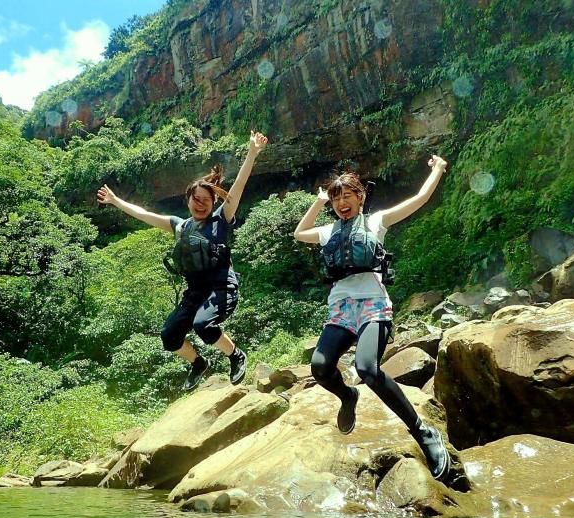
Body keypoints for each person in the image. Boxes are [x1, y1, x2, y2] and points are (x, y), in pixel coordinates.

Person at [293, 156, 451, 481]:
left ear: (360, 197)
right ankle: (347, 396)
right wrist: (318, 200)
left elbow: (418, 200)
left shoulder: (376, 222)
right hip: (341, 309)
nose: (340, 203)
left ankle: (423, 431)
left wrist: (435, 170)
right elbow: (299, 233)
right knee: (320, 367)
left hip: (373, 305)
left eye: (346, 195)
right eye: (336, 198)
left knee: (367, 367)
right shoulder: (327, 231)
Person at [97, 131, 268, 391]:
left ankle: (235, 355)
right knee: (169, 336)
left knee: (203, 325)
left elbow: (237, 189)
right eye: (195, 199)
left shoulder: (221, 219)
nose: (200, 204)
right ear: (187, 200)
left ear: (213, 203)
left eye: (206, 200)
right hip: (195, 292)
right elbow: (144, 214)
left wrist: (252, 153)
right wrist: (114, 200)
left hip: (222, 288)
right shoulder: (180, 226)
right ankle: (198, 363)